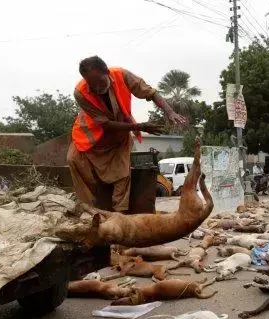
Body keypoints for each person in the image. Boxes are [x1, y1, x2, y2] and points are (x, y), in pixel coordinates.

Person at [67, 56, 186, 212]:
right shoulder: (80, 93)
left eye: (100, 83)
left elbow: (150, 92)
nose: (97, 88)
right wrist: (140, 126)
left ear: (107, 72)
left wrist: (169, 111)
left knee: (122, 175)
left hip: (118, 137)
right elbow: (105, 124)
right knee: (73, 159)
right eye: (92, 85)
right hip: (91, 140)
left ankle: (119, 218)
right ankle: (88, 212)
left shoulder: (121, 75)